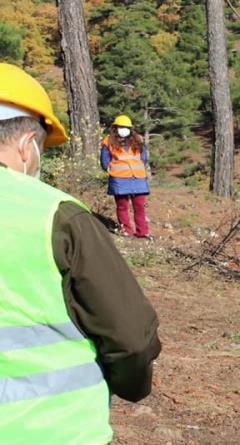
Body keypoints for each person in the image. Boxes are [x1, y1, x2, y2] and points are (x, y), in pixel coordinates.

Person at [0, 63, 161, 443]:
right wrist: (133, 386)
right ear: (27, 145)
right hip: (49, 429)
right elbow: (131, 337)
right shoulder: (55, 214)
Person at [100, 114, 151, 239]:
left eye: (126, 127)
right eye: (121, 127)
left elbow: (144, 159)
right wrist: (112, 171)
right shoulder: (108, 141)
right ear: (115, 128)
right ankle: (127, 231)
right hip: (119, 180)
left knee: (139, 207)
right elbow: (104, 161)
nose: (124, 129)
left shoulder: (138, 140)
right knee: (122, 207)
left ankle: (142, 232)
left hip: (138, 179)